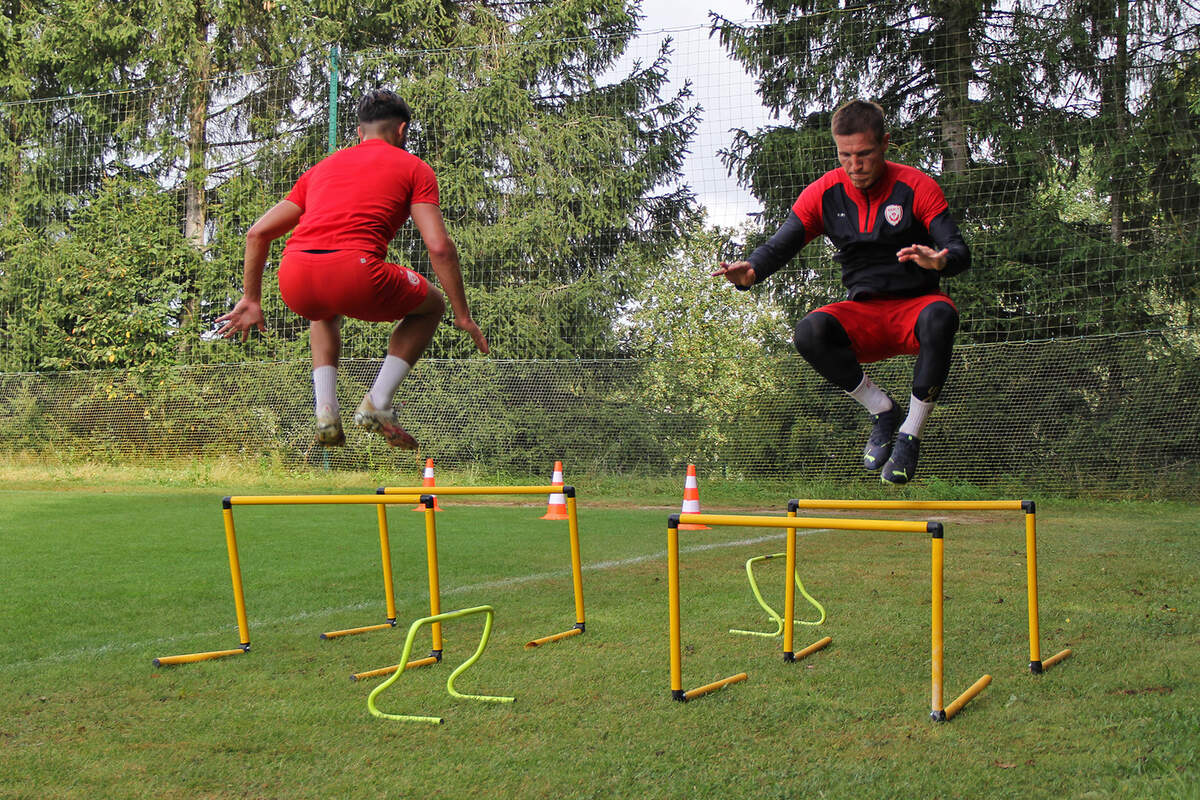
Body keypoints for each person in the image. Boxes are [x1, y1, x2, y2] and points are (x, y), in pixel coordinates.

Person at [713, 99, 970, 484]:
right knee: (809, 332)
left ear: (884, 143)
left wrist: (940, 260)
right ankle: (883, 410)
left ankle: (910, 435)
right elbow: (779, 245)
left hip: (916, 309)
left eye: (864, 154)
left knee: (941, 316)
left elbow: (959, 249)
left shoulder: (916, 186)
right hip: (864, 313)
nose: (855, 166)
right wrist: (751, 270)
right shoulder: (823, 193)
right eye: (845, 155)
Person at [216, 89, 488, 450]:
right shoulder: (415, 169)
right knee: (432, 305)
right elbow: (438, 246)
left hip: (295, 276)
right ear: (402, 131)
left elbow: (257, 233)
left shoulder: (320, 170)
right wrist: (463, 314)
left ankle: (326, 413)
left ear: (359, 133)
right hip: (356, 273)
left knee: (323, 311)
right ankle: (378, 403)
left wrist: (251, 298)